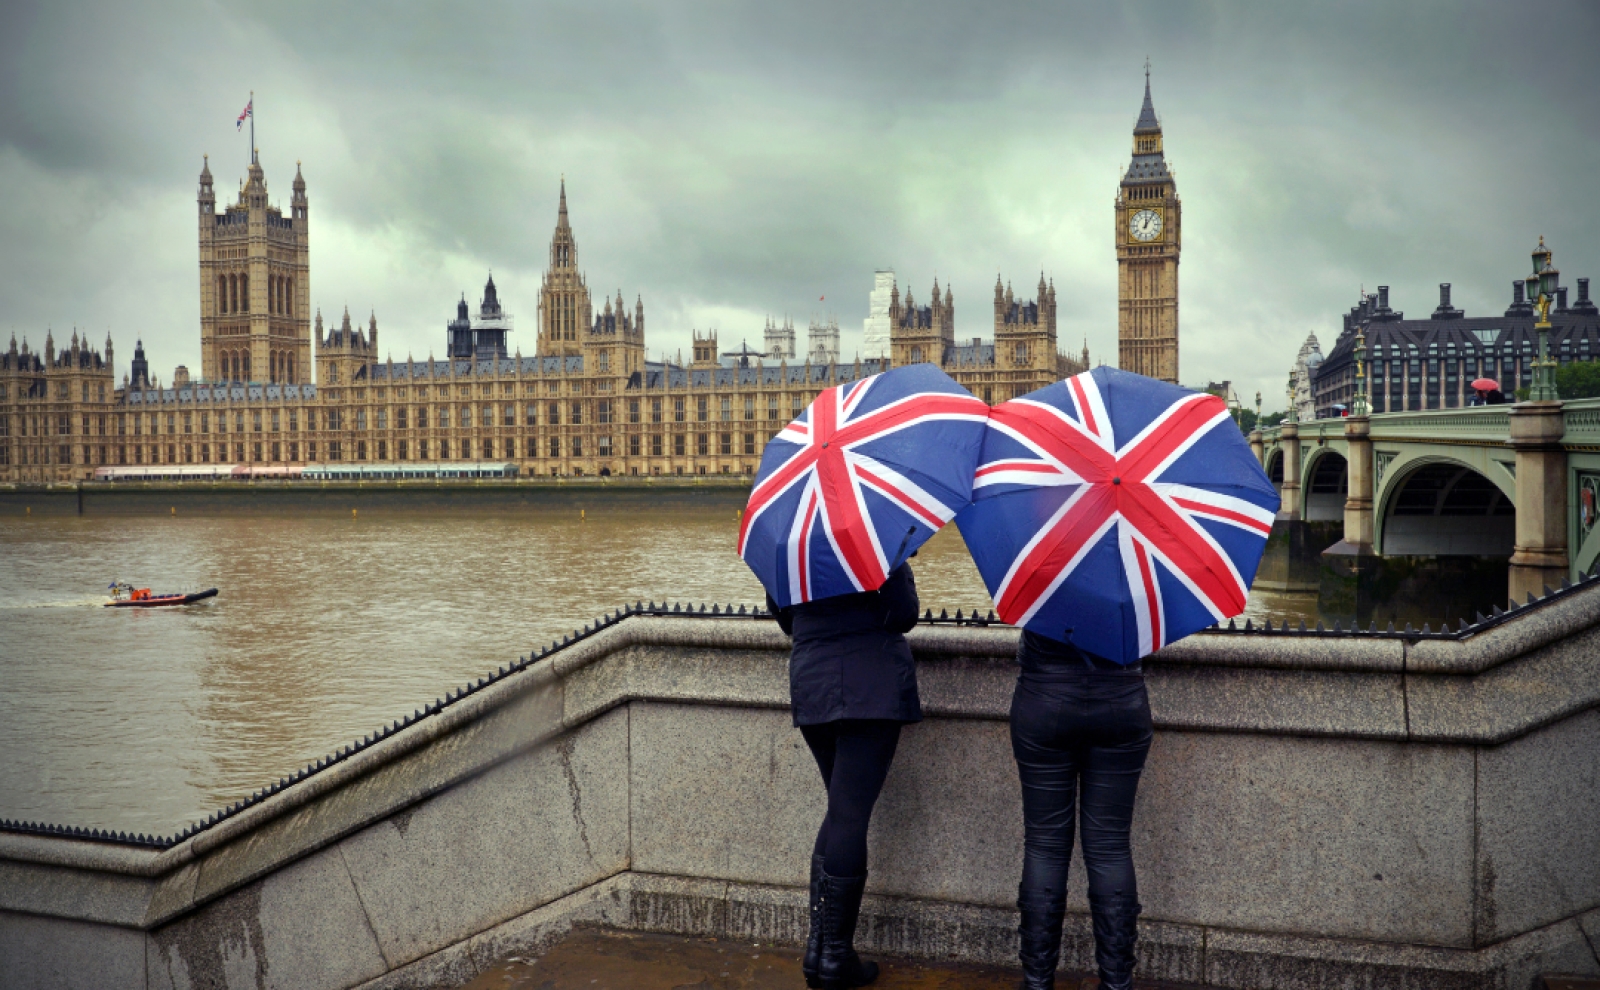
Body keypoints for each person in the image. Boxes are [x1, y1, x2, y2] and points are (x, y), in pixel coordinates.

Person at [766, 561, 920, 990]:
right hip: (869, 684)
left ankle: (819, 951)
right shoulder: (876, 542)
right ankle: (835, 957)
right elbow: (904, 614)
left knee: (839, 812)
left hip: (813, 683)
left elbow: (785, 619)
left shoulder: (789, 545)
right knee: (850, 816)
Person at [1010, 629, 1153, 990]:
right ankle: (1117, 982)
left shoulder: (1038, 571)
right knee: (1110, 846)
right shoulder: (1133, 575)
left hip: (1044, 696)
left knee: (1044, 846)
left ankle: (1037, 981)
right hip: (1121, 698)